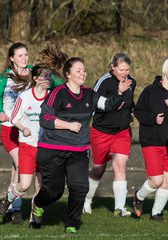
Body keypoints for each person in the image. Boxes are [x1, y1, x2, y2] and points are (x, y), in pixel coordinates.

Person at [28, 57, 131, 234]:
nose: (83, 73)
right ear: (68, 75)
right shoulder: (58, 93)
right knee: (54, 192)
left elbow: (106, 105)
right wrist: (68, 125)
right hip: (53, 149)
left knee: (80, 186)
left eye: (84, 70)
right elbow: (45, 119)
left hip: (79, 150)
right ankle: (37, 204)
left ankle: (72, 224)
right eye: (78, 70)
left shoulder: (90, 94)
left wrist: (119, 94)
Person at [0, 42, 31, 224]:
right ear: (11, 58)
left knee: (17, 169)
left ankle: (12, 207)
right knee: (22, 164)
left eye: (26, 54)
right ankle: (15, 207)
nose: (24, 58)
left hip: (29, 129)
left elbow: (54, 86)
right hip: (9, 128)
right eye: (20, 55)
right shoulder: (2, 79)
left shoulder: (35, 74)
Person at [83, 53, 136, 217]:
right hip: (101, 132)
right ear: (113, 67)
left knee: (120, 165)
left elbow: (130, 103)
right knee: (98, 170)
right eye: (121, 69)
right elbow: (95, 103)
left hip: (122, 132)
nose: (124, 73)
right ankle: (86, 200)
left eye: (127, 69)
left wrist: (131, 112)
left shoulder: (131, 82)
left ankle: (119, 208)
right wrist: (117, 95)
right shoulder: (103, 82)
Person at [132, 57, 168, 221]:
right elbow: (138, 112)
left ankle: (156, 213)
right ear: (165, 71)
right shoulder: (149, 91)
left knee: (167, 181)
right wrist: (153, 118)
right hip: (151, 141)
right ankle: (139, 197)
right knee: (156, 180)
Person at [0, 64, 51, 225]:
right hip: (27, 146)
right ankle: (8, 199)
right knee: (24, 185)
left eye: (49, 76)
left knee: (40, 185)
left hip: (44, 147)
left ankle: (34, 218)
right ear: (35, 78)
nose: (48, 79)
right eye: (44, 76)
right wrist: (23, 128)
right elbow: (13, 118)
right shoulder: (25, 96)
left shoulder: (52, 97)